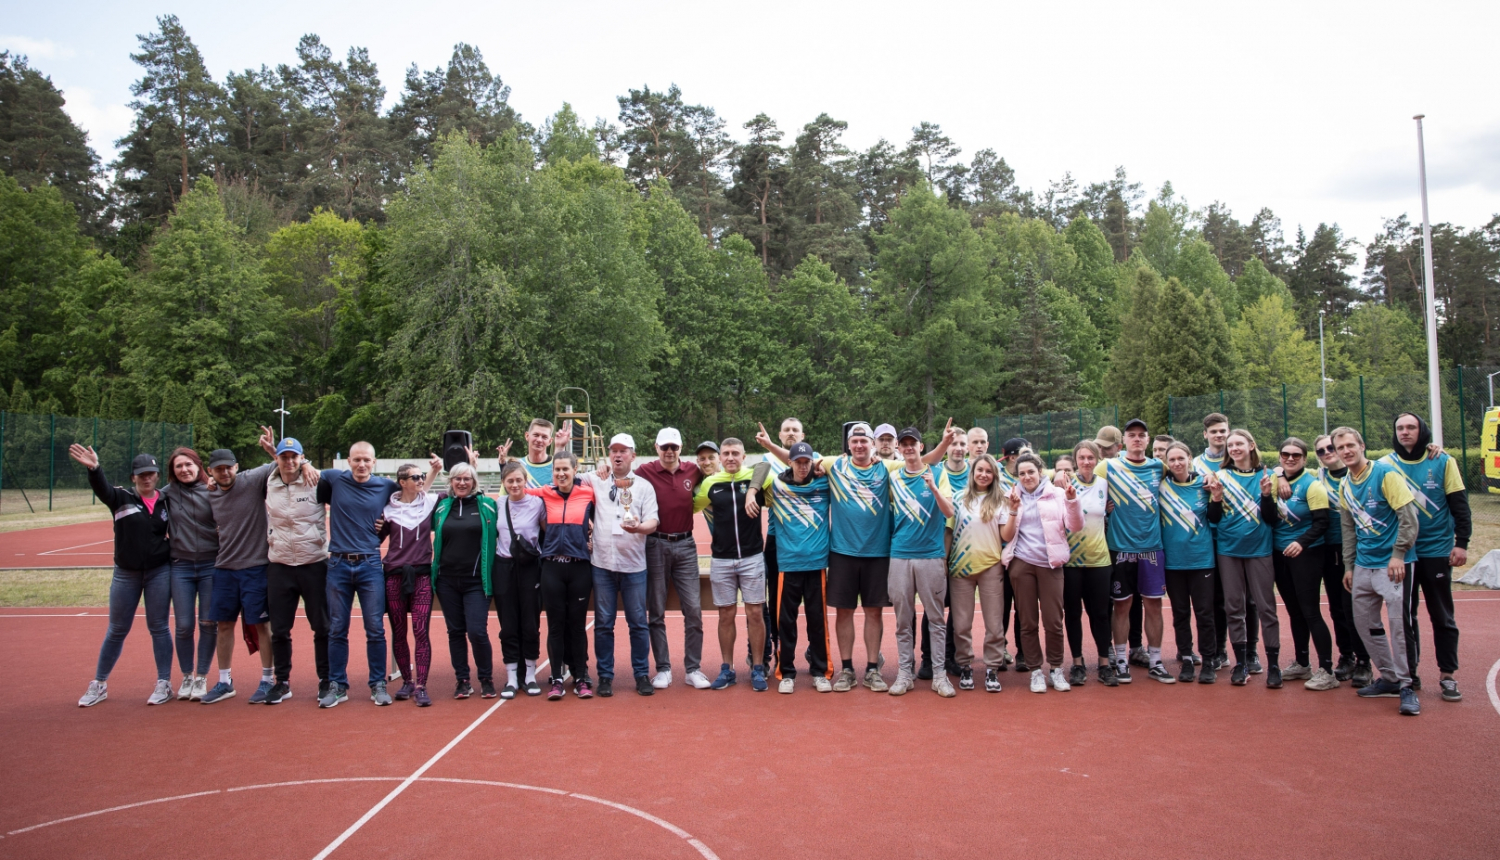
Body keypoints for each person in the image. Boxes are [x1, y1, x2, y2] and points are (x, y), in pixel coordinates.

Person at [760, 420, 953, 693]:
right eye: (855, 441)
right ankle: (847, 669)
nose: (860, 445)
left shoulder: (886, 467)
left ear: (872, 445)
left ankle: (872, 669)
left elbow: (922, 460)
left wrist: (944, 444)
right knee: (844, 612)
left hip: (879, 553)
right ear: (848, 446)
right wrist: (769, 446)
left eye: (865, 441)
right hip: (842, 553)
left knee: (874, 613)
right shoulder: (833, 465)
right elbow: (794, 459)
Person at [72, 447, 174, 707]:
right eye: (141, 475)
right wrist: (95, 469)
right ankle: (99, 683)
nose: (147, 478)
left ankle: (164, 683)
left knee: (159, 627)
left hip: (159, 572)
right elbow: (102, 488)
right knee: (117, 629)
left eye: (151, 473)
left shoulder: (167, 500)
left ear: (158, 475)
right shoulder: (120, 498)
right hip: (126, 575)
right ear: (133, 478)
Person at [1382, 413, 1470, 703]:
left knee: (1442, 615)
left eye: (1411, 427)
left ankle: (1448, 674)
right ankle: (1411, 674)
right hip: (1403, 554)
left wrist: (1461, 543)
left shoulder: (1442, 461)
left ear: (1422, 431)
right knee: (1405, 617)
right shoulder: (1384, 466)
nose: (1405, 432)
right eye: (1400, 428)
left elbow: (1460, 505)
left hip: (1436, 551)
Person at [1333, 426, 1421, 716]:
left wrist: (1399, 554)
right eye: (1340, 447)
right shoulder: (1345, 483)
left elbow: (1409, 518)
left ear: (1362, 445)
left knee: (1399, 625)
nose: (1346, 451)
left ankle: (1408, 685)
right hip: (1363, 566)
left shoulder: (1385, 474)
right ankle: (1390, 677)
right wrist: (1348, 565)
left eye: (1350, 445)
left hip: (1393, 566)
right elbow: (1348, 529)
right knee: (1365, 624)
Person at [317, 441, 399, 708]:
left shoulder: (386, 486)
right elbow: (299, 470)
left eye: (366, 460)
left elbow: (412, 495)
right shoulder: (333, 479)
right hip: (338, 564)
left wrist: (385, 520)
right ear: (348, 462)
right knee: (337, 629)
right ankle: (338, 685)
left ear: (374, 462)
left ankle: (378, 684)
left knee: (375, 628)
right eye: (356, 460)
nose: (361, 464)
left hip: (370, 564)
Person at [202, 435, 283, 704]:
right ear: (209, 471)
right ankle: (225, 682)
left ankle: (267, 679)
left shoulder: (252, 479)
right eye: (218, 469)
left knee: (261, 624)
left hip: (256, 567)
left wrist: (274, 450)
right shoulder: (209, 492)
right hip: (224, 568)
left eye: (228, 467)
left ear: (236, 467)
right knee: (223, 625)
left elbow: (284, 463)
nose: (224, 472)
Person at [580, 434, 659, 698]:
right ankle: (605, 676)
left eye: (623, 451)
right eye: (613, 450)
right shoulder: (595, 479)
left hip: (634, 567)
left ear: (633, 455)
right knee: (603, 624)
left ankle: (641, 674)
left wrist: (639, 527)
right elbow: (565, 477)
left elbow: (653, 522)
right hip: (602, 565)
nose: (617, 455)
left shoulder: (645, 487)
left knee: (638, 623)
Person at [1095, 419, 1173, 684]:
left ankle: (1156, 661)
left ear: (1148, 440)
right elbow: (1083, 481)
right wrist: (1059, 475)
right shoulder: (1108, 466)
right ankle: (1120, 661)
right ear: (1123, 442)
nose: (1137, 439)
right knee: (1122, 605)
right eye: (1132, 435)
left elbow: (1188, 476)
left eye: (1142, 435)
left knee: (1153, 605)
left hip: (1152, 548)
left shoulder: (1158, 467)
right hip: (1120, 547)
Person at [693, 438, 772, 691]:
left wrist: (751, 491)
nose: (730, 457)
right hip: (721, 560)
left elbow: (766, 466)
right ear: (720, 457)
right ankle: (727, 668)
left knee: (755, 614)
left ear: (743, 455)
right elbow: (691, 506)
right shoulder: (710, 483)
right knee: (725, 615)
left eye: (735, 453)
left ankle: (758, 668)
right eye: (725, 453)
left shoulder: (755, 477)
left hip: (752, 558)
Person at [755, 441, 833, 693]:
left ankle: (820, 671)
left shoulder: (825, 483)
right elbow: (755, 473)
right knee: (785, 621)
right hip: (787, 565)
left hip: (816, 564)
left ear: (813, 462)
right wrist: (750, 491)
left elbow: (845, 464)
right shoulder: (776, 485)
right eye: (798, 462)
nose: (802, 467)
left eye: (806, 462)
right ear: (790, 462)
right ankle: (786, 672)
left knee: (817, 620)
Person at [635, 428, 710, 690]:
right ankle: (663, 669)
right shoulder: (644, 471)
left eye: (674, 447)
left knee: (694, 611)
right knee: (655, 610)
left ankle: (693, 668)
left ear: (681, 448)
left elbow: (715, 469)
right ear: (656, 447)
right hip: (655, 544)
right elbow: (617, 480)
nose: (669, 452)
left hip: (686, 546)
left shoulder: (693, 470)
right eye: (665, 447)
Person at [1002, 451, 1083, 694]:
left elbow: (1076, 526)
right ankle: (1035, 670)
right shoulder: (1011, 496)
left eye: (1031, 472)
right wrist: (1014, 509)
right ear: (1017, 476)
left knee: (1053, 621)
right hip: (1022, 564)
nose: (1027, 477)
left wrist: (1072, 501)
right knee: (1027, 621)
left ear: (1041, 472)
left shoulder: (1058, 494)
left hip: (1051, 564)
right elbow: (1005, 537)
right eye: (1022, 473)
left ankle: (1056, 668)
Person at [885, 427, 957, 697]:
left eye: (912, 443)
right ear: (899, 449)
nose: (908, 448)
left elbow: (950, 511)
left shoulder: (939, 473)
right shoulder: (893, 477)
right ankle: (905, 673)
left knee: (936, 619)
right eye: (903, 444)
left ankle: (939, 674)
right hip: (900, 555)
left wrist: (934, 489)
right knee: (903, 620)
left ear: (921, 446)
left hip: (931, 556)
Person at [1209, 429, 1282, 688]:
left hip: (1260, 550)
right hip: (1228, 551)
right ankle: (1240, 664)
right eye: (1231, 445)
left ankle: (1273, 665)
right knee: (1234, 608)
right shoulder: (1221, 475)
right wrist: (1216, 498)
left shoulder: (1269, 475)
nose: (1235, 448)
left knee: (1266, 608)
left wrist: (1265, 495)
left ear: (1252, 445)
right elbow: (1214, 518)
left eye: (1239, 443)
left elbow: (1272, 519)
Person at [264, 437, 333, 705]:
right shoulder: (267, 482)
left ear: (302, 458)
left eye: (295, 457)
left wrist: (308, 466)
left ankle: (326, 680)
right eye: (284, 457)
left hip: (314, 563)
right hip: (280, 564)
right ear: (277, 459)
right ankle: (282, 682)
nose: (290, 462)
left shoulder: (317, 480)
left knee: (322, 627)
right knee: (279, 629)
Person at [1272, 437, 1338, 691]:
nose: (1290, 459)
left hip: (1306, 555)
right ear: (1279, 457)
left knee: (1310, 611)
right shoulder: (1275, 482)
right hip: (1280, 555)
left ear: (1305, 458)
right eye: (1285, 454)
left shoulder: (1312, 486)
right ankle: (1302, 662)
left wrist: (1302, 542)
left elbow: (1322, 522)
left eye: (1296, 455)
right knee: (1294, 611)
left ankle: (1327, 669)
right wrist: (1277, 479)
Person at [529, 451, 596, 700]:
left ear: (575, 469)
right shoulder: (546, 492)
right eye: (557, 470)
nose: (561, 473)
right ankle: (556, 678)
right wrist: (504, 464)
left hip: (579, 568)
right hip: (552, 568)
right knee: (555, 626)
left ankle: (580, 676)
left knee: (577, 627)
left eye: (565, 469)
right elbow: (516, 490)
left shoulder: (588, 493)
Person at [432, 456, 499, 700]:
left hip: (476, 582)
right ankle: (462, 680)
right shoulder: (441, 507)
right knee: (455, 631)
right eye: (458, 478)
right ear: (450, 481)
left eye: (467, 478)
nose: (462, 482)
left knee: (477, 631)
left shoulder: (488, 505)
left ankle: (486, 678)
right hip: (447, 581)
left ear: (474, 481)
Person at [378, 457, 444, 706]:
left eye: (421, 477)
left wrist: (438, 470)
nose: (420, 480)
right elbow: (375, 538)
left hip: (422, 576)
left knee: (420, 630)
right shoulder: (387, 510)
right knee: (399, 631)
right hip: (394, 575)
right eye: (415, 477)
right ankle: (406, 680)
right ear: (402, 482)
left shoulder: (430, 502)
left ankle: (421, 685)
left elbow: (461, 490)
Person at [1314, 433, 1371, 687]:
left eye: (1331, 447)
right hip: (1328, 548)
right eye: (1321, 450)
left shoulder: (1358, 473)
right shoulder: (1318, 476)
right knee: (1337, 607)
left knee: (1354, 608)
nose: (1328, 452)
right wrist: (1281, 473)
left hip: (1356, 549)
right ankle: (1346, 656)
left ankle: (1363, 660)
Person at [1158, 442, 1219, 684]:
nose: (1176, 463)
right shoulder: (1162, 486)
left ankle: (1209, 661)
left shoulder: (1204, 484)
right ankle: (1186, 659)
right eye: (1171, 460)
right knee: (1180, 613)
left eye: (1180, 458)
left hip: (1201, 560)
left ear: (1190, 458)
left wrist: (1215, 498)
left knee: (1205, 613)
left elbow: (1215, 517)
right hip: (1173, 563)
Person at [949, 454, 1009, 693]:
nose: (983, 474)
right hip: (960, 568)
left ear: (994, 475)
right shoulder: (957, 499)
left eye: (988, 471)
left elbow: (1006, 536)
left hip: (991, 567)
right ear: (972, 473)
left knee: (994, 623)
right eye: (979, 470)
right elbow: (947, 532)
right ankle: (965, 665)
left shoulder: (1001, 500)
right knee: (961, 624)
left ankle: (992, 667)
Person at [162, 447, 217, 701]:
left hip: (210, 566)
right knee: (184, 626)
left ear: (198, 465)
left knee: (208, 623)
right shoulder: (167, 494)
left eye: (188, 464)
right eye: (178, 466)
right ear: (172, 471)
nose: (184, 470)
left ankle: (202, 677)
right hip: (181, 567)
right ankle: (186, 675)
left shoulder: (213, 490)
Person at [1058, 442, 1115, 686]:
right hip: (1071, 561)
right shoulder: (1064, 484)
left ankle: (1104, 663)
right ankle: (1078, 663)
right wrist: (1058, 473)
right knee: (1072, 613)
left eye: (1091, 457)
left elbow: (1106, 510)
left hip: (1099, 560)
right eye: (1081, 457)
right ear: (1075, 461)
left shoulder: (1104, 484)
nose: (1087, 462)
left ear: (1097, 458)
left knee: (1101, 614)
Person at [760, 417, 814, 672]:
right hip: (776, 539)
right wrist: (750, 491)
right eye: (786, 430)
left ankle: (815, 651)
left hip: (807, 541)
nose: (791, 434)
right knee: (777, 602)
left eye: (795, 430)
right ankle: (776, 649)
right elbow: (751, 484)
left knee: (812, 602)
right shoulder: (764, 462)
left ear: (802, 436)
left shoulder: (812, 460)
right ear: (780, 435)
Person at [494, 460, 545, 698]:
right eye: (510, 480)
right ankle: (512, 677)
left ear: (526, 480)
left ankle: (531, 676)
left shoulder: (537, 504)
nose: (515, 484)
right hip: (504, 567)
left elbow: (549, 531)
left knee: (530, 623)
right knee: (508, 624)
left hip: (529, 568)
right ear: (504, 483)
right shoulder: (498, 504)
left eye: (518, 480)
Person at [516, 418, 571, 488]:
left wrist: (560, 447)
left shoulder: (556, 467)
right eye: (536, 435)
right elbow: (504, 497)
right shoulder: (517, 466)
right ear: (527, 436)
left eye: (544, 437)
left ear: (550, 441)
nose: (539, 440)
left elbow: (566, 490)